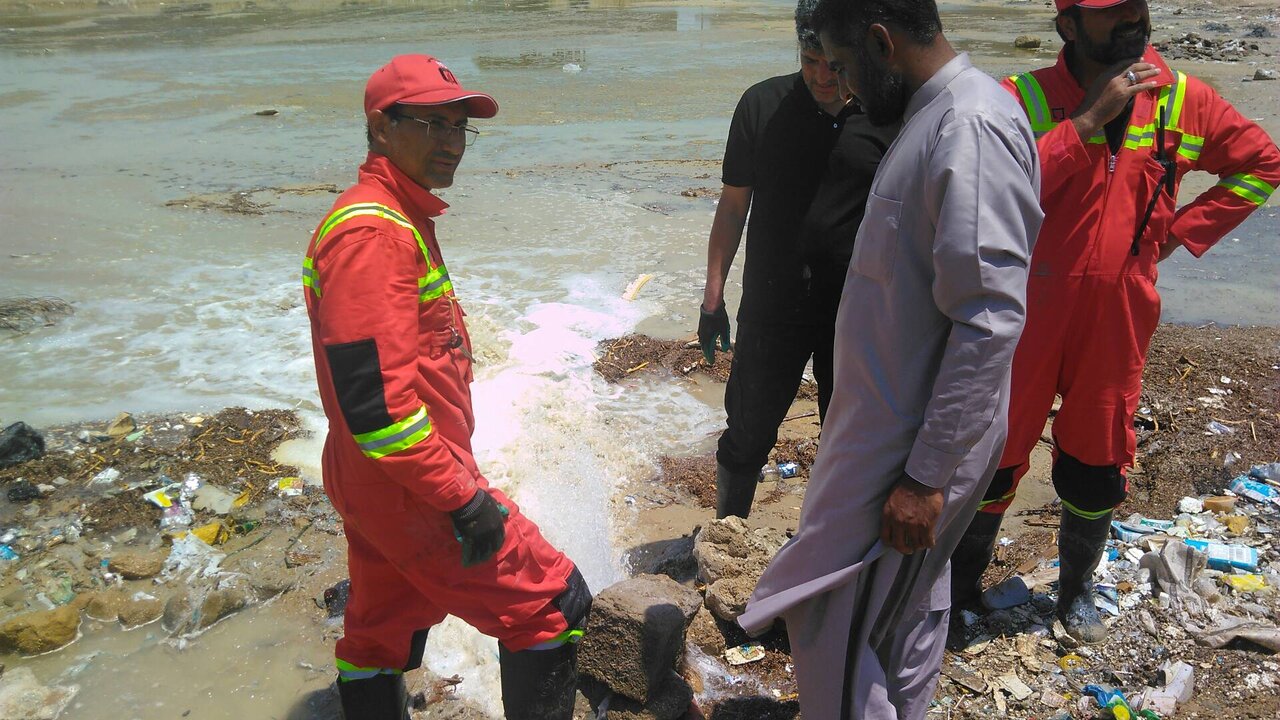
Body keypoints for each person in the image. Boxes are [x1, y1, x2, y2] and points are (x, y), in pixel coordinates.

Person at [736, 0, 1044, 715]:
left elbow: (990, 318)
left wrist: (924, 478)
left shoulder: (967, 128)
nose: (840, 84)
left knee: (840, 626)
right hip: (889, 437)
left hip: (908, 450)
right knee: (899, 615)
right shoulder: (937, 120)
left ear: (881, 42)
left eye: (843, 65)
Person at [950, 0, 1280, 645]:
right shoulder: (1019, 96)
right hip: (1024, 307)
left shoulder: (1184, 97)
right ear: (1067, 25)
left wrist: (1176, 235)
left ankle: (1075, 593)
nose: (1131, 20)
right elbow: (991, 187)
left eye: (1136, 7)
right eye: (1111, 13)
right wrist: (1086, 123)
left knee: (1098, 456)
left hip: (1120, 312)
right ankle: (959, 590)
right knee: (995, 451)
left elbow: (1262, 164)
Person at [302, 55, 591, 720]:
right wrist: (461, 498)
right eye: (433, 124)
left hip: (376, 479)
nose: (453, 143)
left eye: (461, 128)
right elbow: (378, 410)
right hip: (410, 487)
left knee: (380, 629)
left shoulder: (393, 217)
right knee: (550, 603)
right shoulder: (373, 232)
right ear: (380, 126)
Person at [698, 0, 898, 519]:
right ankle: (728, 534)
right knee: (747, 431)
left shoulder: (885, 116)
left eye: (833, 65)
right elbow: (734, 203)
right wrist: (712, 296)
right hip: (772, 303)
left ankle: (828, 544)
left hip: (855, 311)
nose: (821, 76)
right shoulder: (762, 104)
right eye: (809, 61)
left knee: (847, 438)